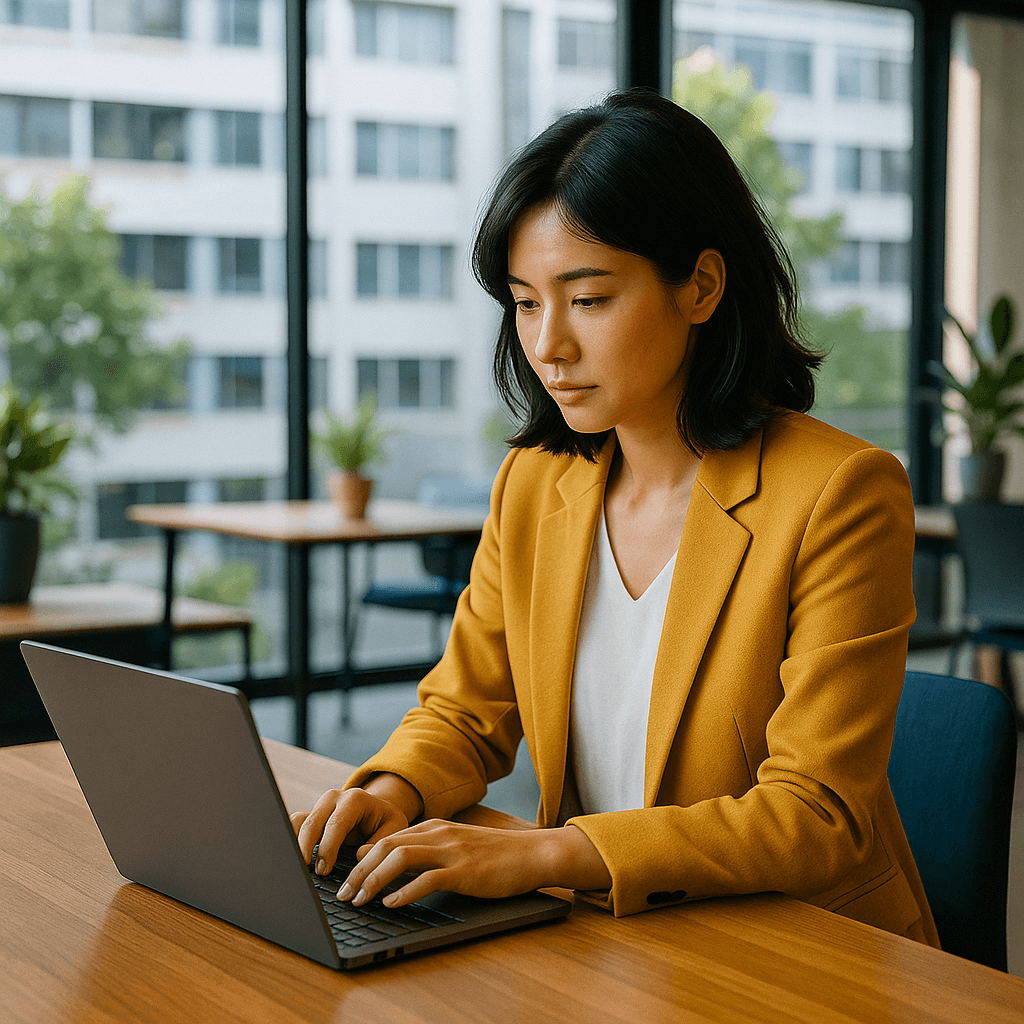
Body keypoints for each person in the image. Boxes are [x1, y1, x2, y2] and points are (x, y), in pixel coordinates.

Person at [292, 90, 939, 946]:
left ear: (700, 287)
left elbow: (813, 815)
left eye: (588, 300)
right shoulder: (534, 483)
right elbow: (463, 712)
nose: (548, 345)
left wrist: (549, 856)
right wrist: (387, 794)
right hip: (615, 943)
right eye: (526, 302)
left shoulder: (840, 493)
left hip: (797, 951)